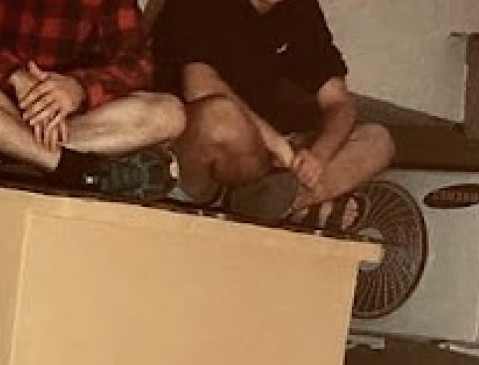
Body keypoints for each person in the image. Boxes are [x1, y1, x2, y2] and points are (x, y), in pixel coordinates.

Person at [0, 0, 184, 197]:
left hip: (59, 121)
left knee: (169, 114)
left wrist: (77, 88)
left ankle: (10, 156)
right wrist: (12, 74)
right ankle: (75, 169)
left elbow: (136, 63)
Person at [151, 0, 394, 226]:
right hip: (193, 151)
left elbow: (339, 101)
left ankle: (272, 204)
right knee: (220, 117)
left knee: (377, 140)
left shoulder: (299, 9)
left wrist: (318, 155)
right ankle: (280, 207)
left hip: (265, 161)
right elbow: (200, 86)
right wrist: (281, 148)